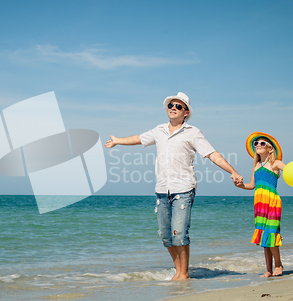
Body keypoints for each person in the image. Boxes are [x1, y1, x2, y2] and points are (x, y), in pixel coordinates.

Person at [104, 92, 243, 281]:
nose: (173, 108)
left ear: (186, 112)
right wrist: (118, 141)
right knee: (166, 236)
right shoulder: (159, 130)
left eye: (178, 106)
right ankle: (178, 271)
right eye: (171, 105)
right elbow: (139, 138)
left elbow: (212, 154)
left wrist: (232, 172)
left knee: (179, 233)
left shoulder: (193, 132)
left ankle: (183, 274)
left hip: (184, 189)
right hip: (162, 190)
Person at [236, 132, 286, 277]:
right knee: (264, 235)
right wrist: (239, 185)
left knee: (271, 233)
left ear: (270, 149)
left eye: (262, 143)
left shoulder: (276, 163)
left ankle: (279, 264)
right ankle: (268, 270)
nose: (258, 145)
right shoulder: (257, 165)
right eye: (256, 143)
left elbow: (292, 172)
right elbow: (252, 185)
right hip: (259, 203)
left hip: (272, 201)